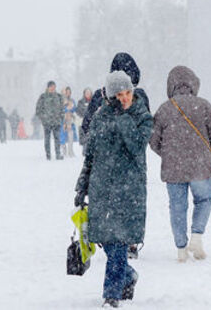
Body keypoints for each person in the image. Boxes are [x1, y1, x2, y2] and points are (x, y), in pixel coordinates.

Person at [74, 71, 153, 307]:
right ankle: (128, 275)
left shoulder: (142, 116)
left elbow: (137, 147)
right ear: (110, 96)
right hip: (102, 189)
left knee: (118, 243)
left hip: (129, 192)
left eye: (128, 93)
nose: (125, 98)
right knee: (106, 242)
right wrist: (82, 186)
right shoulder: (99, 118)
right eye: (119, 95)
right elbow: (90, 157)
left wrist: (124, 118)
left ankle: (111, 296)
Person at [150, 66, 211, 263]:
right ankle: (197, 237)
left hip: (173, 168)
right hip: (200, 165)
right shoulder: (203, 105)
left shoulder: (165, 108)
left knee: (177, 207)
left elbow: (153, 140)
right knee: (203, 200)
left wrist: (167, 153)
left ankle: (181, 249)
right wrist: (208, 148)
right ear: (194, 83)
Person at [80, 53, 151, 147]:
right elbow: (149, 128)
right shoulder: (139, 95)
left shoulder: (99, 95)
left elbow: (86, 126)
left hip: (105, 155)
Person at [35, 81, 64, 160]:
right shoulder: (43, 97)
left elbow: (62, 108)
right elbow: (38, 110)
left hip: (56, 121)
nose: (53, 88)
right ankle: (48, 155)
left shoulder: (59, 96)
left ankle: (58, 154)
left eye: (54, 87)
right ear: (48, 87)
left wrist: (61, 117)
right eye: (51, 86)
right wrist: (43, 118)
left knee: (57, 138)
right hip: (47, 122)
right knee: (47, 139)